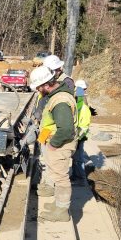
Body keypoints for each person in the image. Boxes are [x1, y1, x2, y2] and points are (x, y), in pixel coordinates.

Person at [30, 65, 77, 222]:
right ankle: (58, 204)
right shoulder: (56, 95)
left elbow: (66, 129)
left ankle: (62, 211)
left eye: (38, 87)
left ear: (45, 84)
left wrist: (53, 144)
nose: (38, 91)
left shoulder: (60, 101)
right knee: (57, 175)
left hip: (60, 144)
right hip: (56, 142)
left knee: (61, 177)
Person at [70, 79, 92, 186]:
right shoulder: (81, 99)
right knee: (76, 157)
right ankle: (75, 176)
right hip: (80, 132)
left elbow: (82, 120)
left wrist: (79, 135)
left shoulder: (81, 101)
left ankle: (80, 179)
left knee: (78, 157)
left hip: (80, 133)